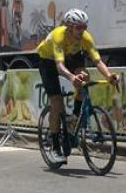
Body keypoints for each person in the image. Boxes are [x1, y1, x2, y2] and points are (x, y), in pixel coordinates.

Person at [35, 9, 120, 161]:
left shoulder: (85, 38)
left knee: (84, 77)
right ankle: (54, 146)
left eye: (84, 27)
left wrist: (109, 76)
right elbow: (59, 66)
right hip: (48, 60)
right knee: (56, 103)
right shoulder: (59, 36)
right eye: (78, 27)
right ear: (69, 26)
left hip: (71, 56)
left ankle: (74, 118)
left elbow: (98, 61)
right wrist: (71, 77)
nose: (82, 31)